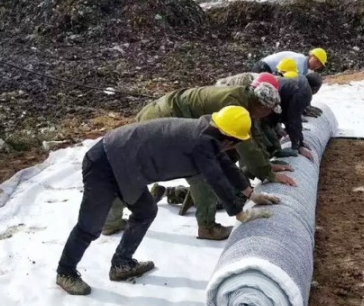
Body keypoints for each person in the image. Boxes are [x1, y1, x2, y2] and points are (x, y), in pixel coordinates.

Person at [56, 106, 280, 296]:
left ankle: (122, 264)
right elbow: (216, 178)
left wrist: (251, 193)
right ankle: (65, 272)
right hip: (105, 162)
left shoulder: (209, 134)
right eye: (236, 143)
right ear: (229, 138)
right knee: (90, 225)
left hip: (128, 166)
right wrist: (240, 213)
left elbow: (225, 166)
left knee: (145, 211)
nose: (234, 148)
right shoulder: (202, 142)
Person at [103, 82, 296, 240]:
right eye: (269, 111)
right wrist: (266, 175)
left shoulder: (244, 101)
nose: (268, 116)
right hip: (162, 119)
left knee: (144, 169)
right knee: (192, 174)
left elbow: (245, 142)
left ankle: (117, 218)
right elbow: (244, 149)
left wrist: (253, 189)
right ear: (262, 106)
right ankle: (207, 227)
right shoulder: (234, 106)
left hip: (169, 116)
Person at [253, 48, 328, 76]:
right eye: (316, 61)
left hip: (267, 68)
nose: (317, 65)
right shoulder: (299, 62)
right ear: (311, 56)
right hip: (263, 67)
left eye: (320, 64)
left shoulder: (304, 66)